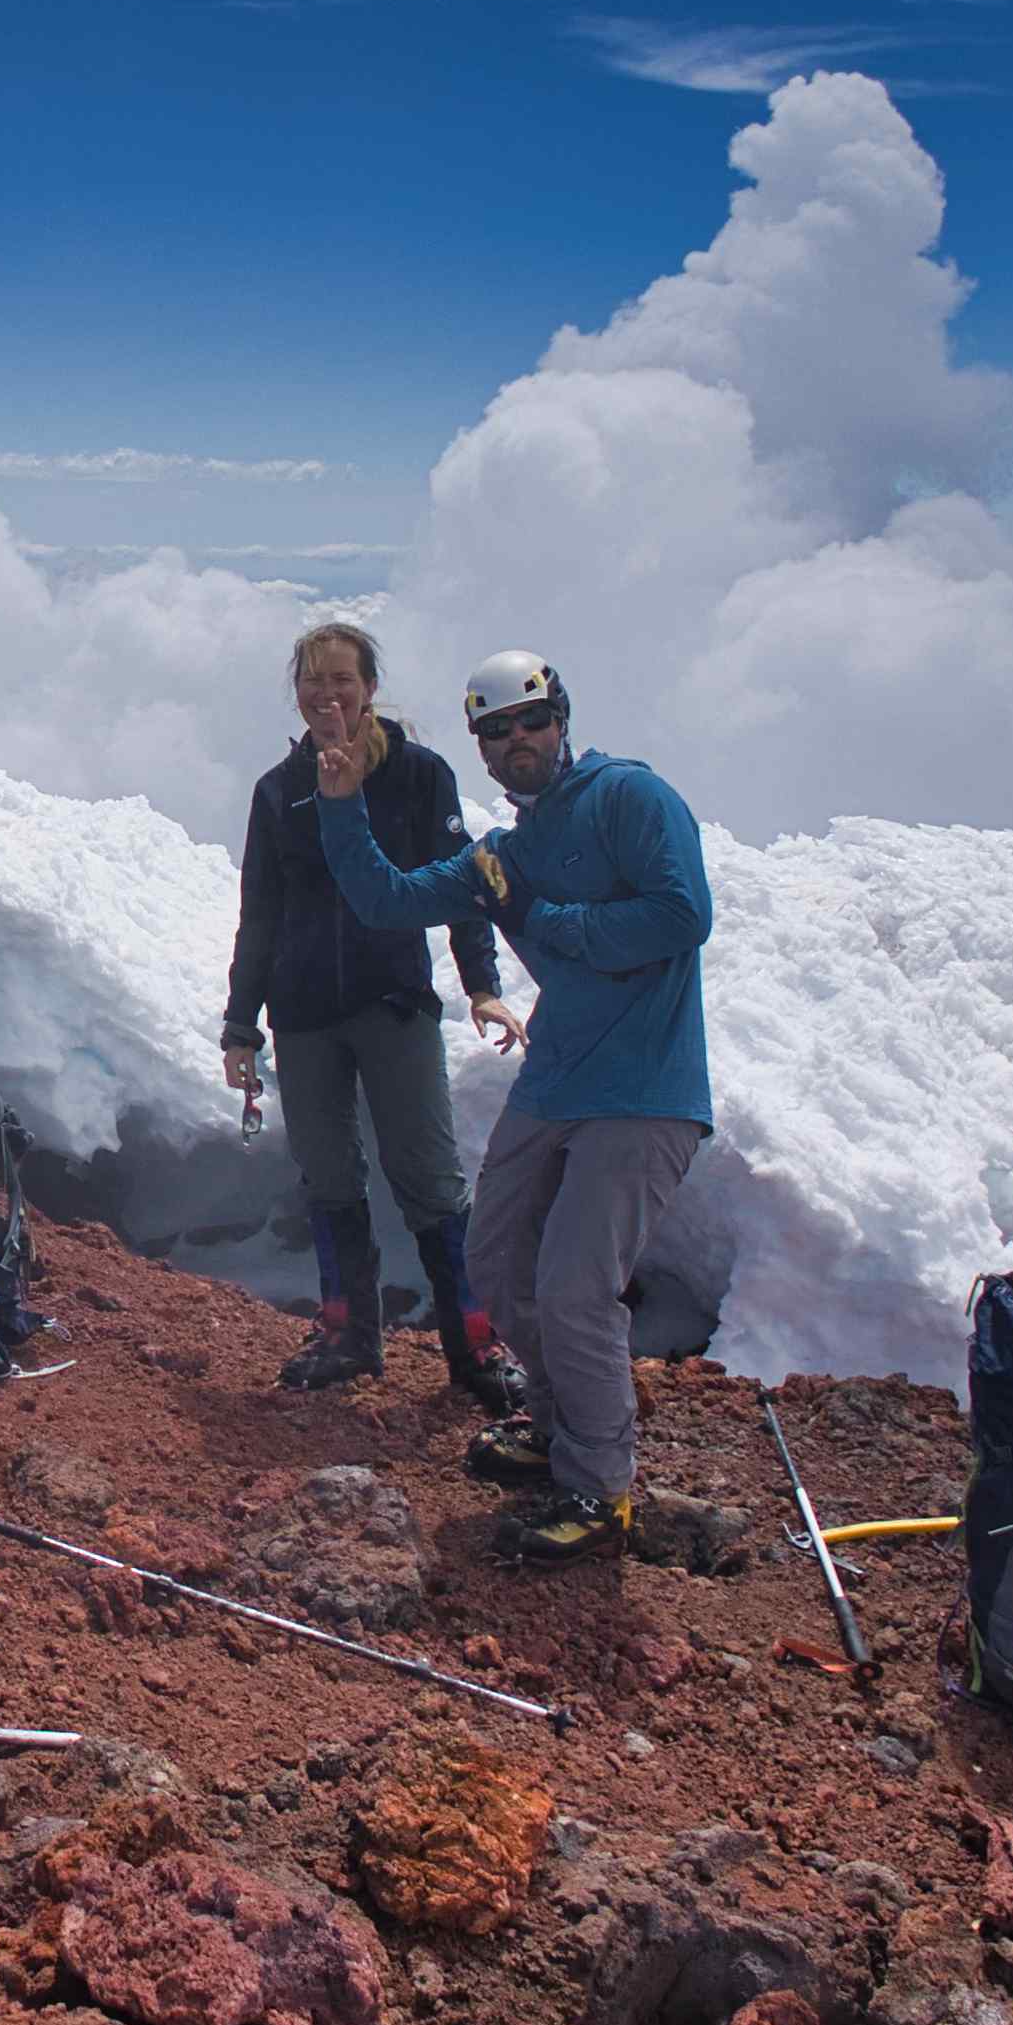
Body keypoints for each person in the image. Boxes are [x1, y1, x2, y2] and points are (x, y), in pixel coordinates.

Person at [314, 651, 712, 1564]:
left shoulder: (630, 798)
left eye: (531, 719)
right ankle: (561, 1421)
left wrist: (549, 919)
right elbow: (386, 899)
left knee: (575, 1287)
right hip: (557, 1080)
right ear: (481, 747)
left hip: (644, 1090)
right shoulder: (506, 855)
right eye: (495, 729)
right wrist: (340, 803)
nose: (516, 739)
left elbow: (681, 914)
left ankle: (599, 1486)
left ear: (561, 718)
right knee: (495, 1262)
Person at [221, 621, 523, 1404]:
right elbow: (260, 915)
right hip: (303, 1013)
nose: (326, 694)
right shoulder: (278, 789)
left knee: (428, 1174)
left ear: (369, 689)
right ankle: (348, 1335)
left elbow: (461, 881)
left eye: (342, 680)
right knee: (327, 1174)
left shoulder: (417, 774)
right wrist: (240, 1025)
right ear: (296, 692)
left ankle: (476, 1345)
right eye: (312, 680)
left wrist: (481, 983)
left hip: (393, 1001)